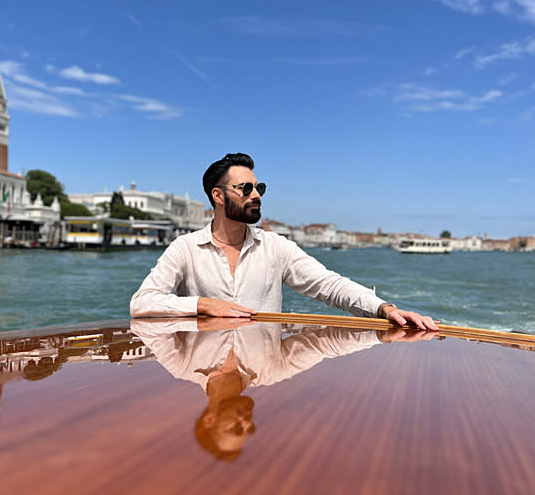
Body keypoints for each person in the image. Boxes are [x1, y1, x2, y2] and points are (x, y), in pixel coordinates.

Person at [130, 153, 438, 330]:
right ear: (219, 196)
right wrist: (202, 305)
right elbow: (141, 303)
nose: (257, 195)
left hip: (263, 362)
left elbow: (329, 285)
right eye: (246, 188)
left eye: (259, 187)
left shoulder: (276, 246)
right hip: (204, 358)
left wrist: (384, 309)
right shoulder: (185, 248)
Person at [130, 316, 436, 460]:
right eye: (248, 431)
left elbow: (147, 318)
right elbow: (323, 345)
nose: (248, 423)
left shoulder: (179, 363)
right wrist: (381, 336)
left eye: (237, 430)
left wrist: (201, 307)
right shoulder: (272, 370)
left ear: (209, 420)